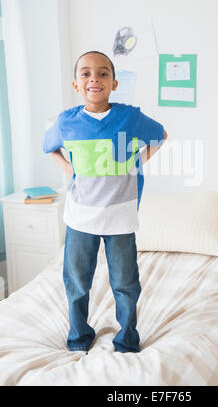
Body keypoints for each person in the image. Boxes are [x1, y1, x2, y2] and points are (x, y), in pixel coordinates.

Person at [43, 50, 167, 353]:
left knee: (125, 284)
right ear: (76, 84)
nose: (94, 79)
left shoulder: (130, 117)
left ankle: (126, 339)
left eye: (102, 73)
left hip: (120, 218)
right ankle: (79, 337)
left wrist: (136, 163)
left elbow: (160, 134)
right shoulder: (66, 122)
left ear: (113, 83)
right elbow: (49, 147)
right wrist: (70, 171)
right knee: (76, 282)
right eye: (85, 73)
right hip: (80, 217)